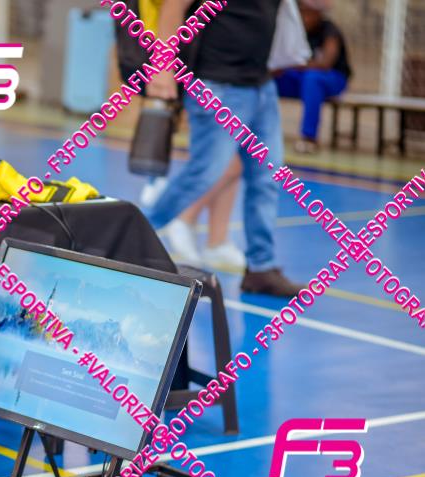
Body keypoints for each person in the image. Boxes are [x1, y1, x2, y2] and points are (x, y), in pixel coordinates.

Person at [145, 0, 303, 297]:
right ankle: (131, 235)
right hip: (217, 84)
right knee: (204, 174)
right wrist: (163, 66)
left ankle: (261, 268)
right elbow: (173, 6)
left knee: (267, 177)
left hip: (262, 85)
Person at [275, 0, 351, 153]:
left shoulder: (330, 31)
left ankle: (309, 138)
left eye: (308, 12)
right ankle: (251, 131)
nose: (304, 16)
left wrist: (295, 63)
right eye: (301, 11)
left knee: (313, 78)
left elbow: (325, 64)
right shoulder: (295, 29)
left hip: (333, 79)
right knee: (270, 78)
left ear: (318, 14)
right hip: (302, 78)